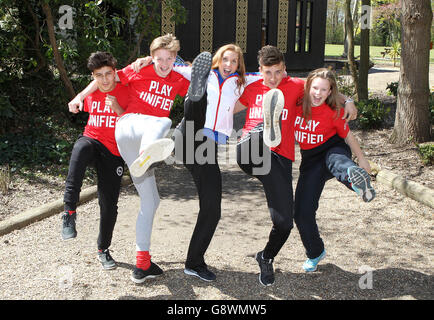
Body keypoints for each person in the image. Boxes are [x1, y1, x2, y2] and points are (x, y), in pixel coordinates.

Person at [68, 34, 190, 284]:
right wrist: (80, 97)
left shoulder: (178, 79)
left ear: (175, 58)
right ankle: (149, 155)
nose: (164, 64)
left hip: (135, 149)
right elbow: (104, 79)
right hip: (127, 127)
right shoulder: (139, 70)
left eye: (169, 59)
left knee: (151, 201)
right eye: (159, 58)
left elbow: (198, 94)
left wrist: (191, 70)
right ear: (152, 56)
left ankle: (142, 264)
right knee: (165, 121)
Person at [132, 44, 260, 282]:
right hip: (190, 133)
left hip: (204, 148)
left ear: (239, 64)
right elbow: (166, 62)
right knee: (196, 97)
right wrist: (145, 60)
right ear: (217, 60)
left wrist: (341, 97)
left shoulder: (243, 81)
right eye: (225, 60)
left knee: (212, 209)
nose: (229, 65)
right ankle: (161, 150)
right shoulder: (199, 71)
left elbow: (275, 77)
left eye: (234, 61)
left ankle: (194, 262)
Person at [234, 45, 358, 286]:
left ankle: (266, 257)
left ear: (285, 69)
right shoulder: (251, 88)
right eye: (267, 72)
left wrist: (349, 101)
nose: (272, 78)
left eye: (278, 72)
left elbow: (324, 88)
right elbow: (226, 108)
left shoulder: (295, 86)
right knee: (255, 138)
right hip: (252, 151)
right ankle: (263, 129)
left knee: (284, 223)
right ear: (259, 70)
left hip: (280, 158)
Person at [293, 68, 375, 273]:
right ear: (307, 86)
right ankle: (315, 252)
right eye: (315, 88)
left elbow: (348, 137)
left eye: (324, 90)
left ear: (330, 92)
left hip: (333, 147)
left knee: (338, 161)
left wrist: (362, 160)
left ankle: (356, 181)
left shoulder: (333, 112)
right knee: (302, 212)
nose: (318, 93)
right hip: (310, 160)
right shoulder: (295, 103)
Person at [62, 51, 128, 270]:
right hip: (93, 140)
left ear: (115, 72)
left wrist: (118, 108)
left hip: (114, 152)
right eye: (99, 75)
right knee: (80, 147)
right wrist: (77, 100)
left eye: (108, 74)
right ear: (93, 76)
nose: (105, 79)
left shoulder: (126, 90)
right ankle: (69, 212)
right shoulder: (90, 92)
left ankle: (103, 249)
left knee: (109, 204)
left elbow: (133, 122)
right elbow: (82, 97)